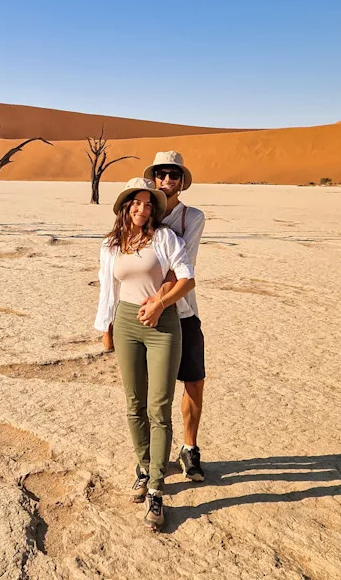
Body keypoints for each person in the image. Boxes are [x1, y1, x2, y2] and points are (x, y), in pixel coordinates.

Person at [95, 177, 196, 531]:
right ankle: (143, 466)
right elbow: (108, 291)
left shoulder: (166, 238)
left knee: (158, 407)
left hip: (163, 324)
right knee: (133, 403)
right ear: (125, 206)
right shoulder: (110, 245)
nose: (143, 209)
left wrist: (160, 304)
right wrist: (105, 330)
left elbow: (187, 278)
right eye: (136, 203)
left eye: (149, 204)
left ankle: (156, 487)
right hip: (125, 322)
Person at [143, 151, 207, 482]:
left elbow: (183, 268)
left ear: (182, 181)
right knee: (155, 391)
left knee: (194, 381)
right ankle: (152, 457)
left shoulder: (192, 217)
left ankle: (189, 449)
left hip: (183, 312)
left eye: (174, 174)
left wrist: (160, 301)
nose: (167, 180)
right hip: (147, 317)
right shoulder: (140, 212)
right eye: (161, 173)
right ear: (153, 178)